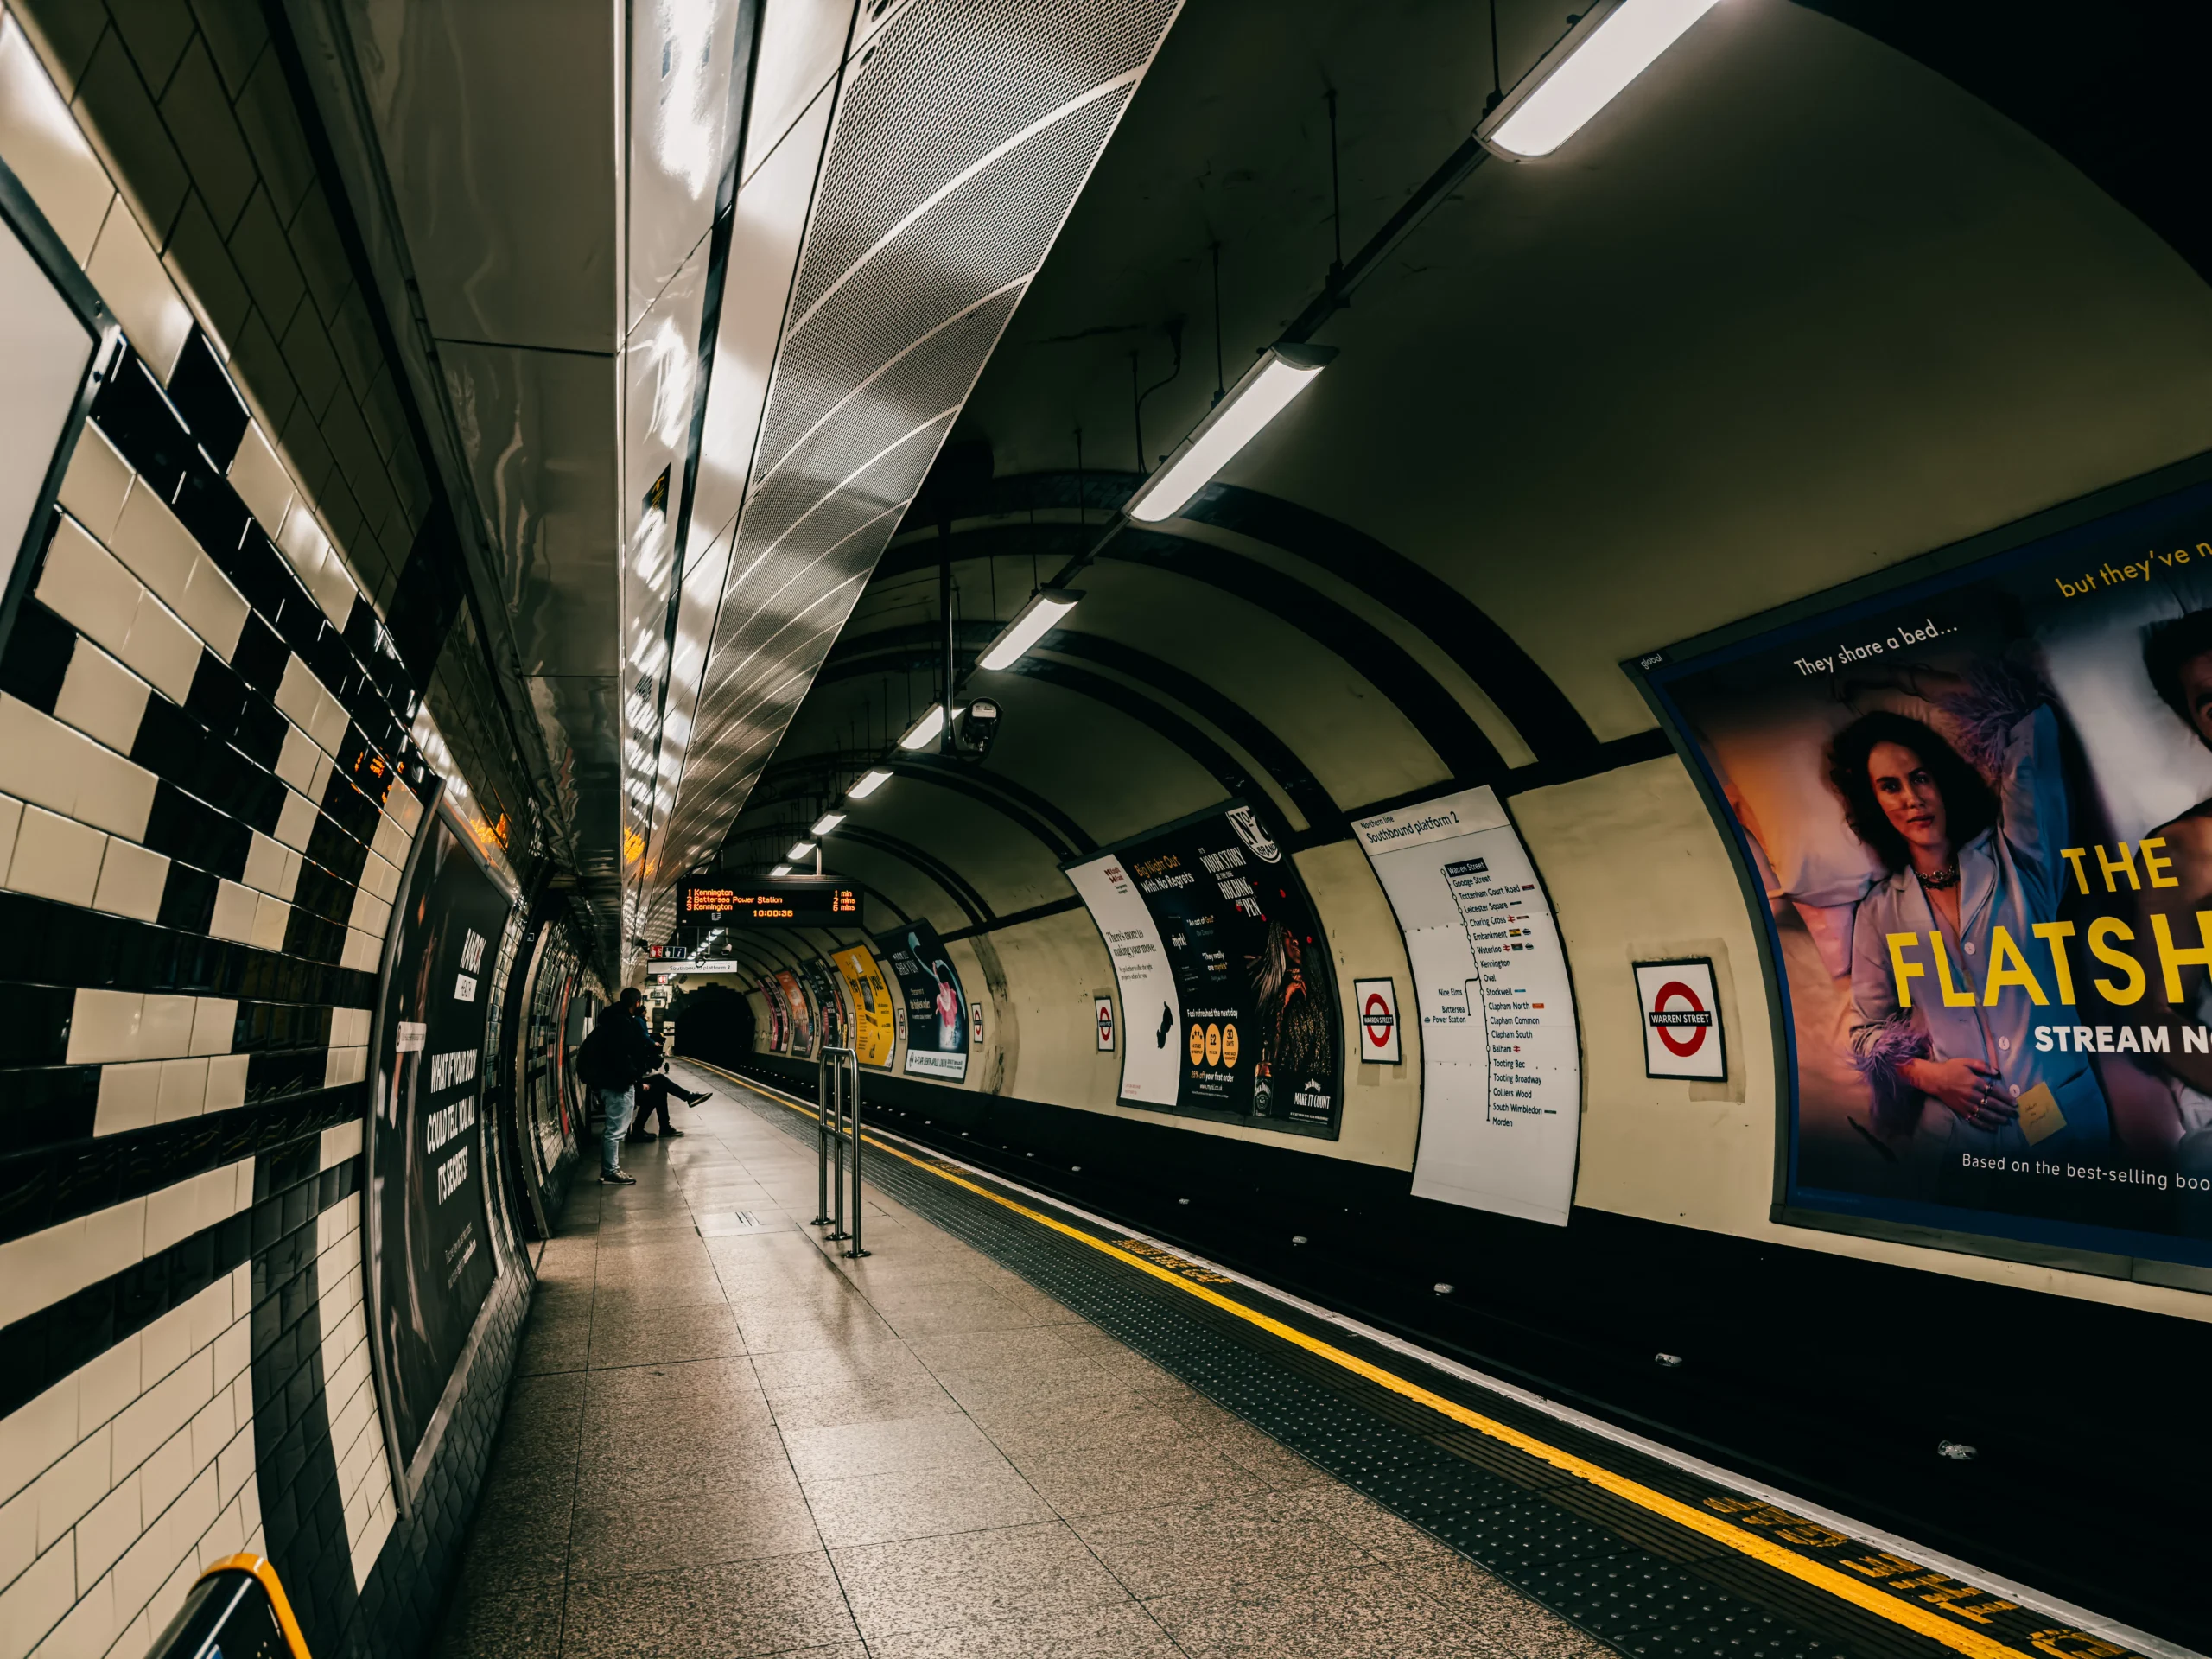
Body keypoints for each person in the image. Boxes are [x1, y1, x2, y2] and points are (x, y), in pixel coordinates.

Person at [1837, 663, 2110, 1153]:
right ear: (1872, 802)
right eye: (1890, 786)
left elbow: (2028, 722)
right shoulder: (1880, 911)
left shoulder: (2020, 857)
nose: (1913, 799)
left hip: (2069, 1123)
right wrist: (1929, 1077)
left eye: (1920, 777)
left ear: (1941, 780)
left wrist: (1906, 681)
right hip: (1965, 1141)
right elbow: (1865, 1034)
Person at [620, 987, 710, 1143]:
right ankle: (641, 1129)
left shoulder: (623, 1020)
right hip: (620, 1085)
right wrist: (638, 1082)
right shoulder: (626, 1023)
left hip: (621, 1080)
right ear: (637, 1003)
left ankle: (666, 1124)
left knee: (660, 1082)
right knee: (658, 1088)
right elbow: (622, 1056)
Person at [577, 1004, 652, 1185]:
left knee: (614, 1129)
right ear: (635, 1004)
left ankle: (610, 1170)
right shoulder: (620, 1026)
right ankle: (610, 1172)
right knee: (615, 1130)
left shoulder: (606, 1027)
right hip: (617, 1086)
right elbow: (622, 1058)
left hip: (611, 1083)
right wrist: (634, 1078)